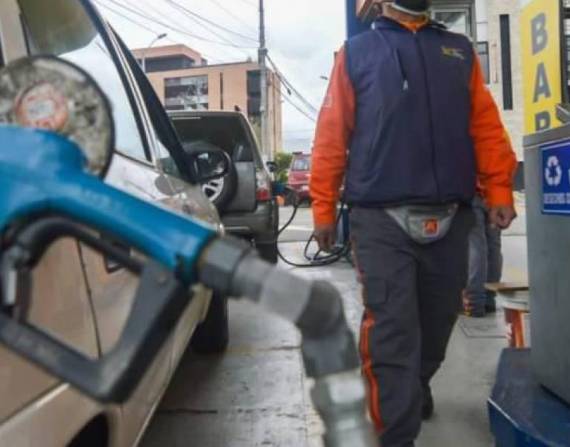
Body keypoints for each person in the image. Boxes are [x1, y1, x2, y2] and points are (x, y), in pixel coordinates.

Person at [309, 1, 517, 446]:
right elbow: (331, 134)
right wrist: (323, 207)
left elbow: (484, 126)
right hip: (380, 219)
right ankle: (394, 433)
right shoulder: (357, 53)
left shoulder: (458, 50)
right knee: (392, 332)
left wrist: (499, 189)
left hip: (452, 215)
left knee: (439, 321)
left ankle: (414, 382)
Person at [463, 194, 504, 318]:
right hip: (496, 194)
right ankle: (489, 300)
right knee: (493, 245)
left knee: (475, 245)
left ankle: (474, 303)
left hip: (473, 192)